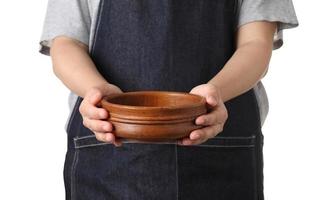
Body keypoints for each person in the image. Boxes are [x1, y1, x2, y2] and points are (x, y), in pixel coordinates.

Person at [40, 0, 298, 199]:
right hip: (107, 159)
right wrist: (95, 91)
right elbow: (67, 42)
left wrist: (215, 92)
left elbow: (255, 43)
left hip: (220, 155)